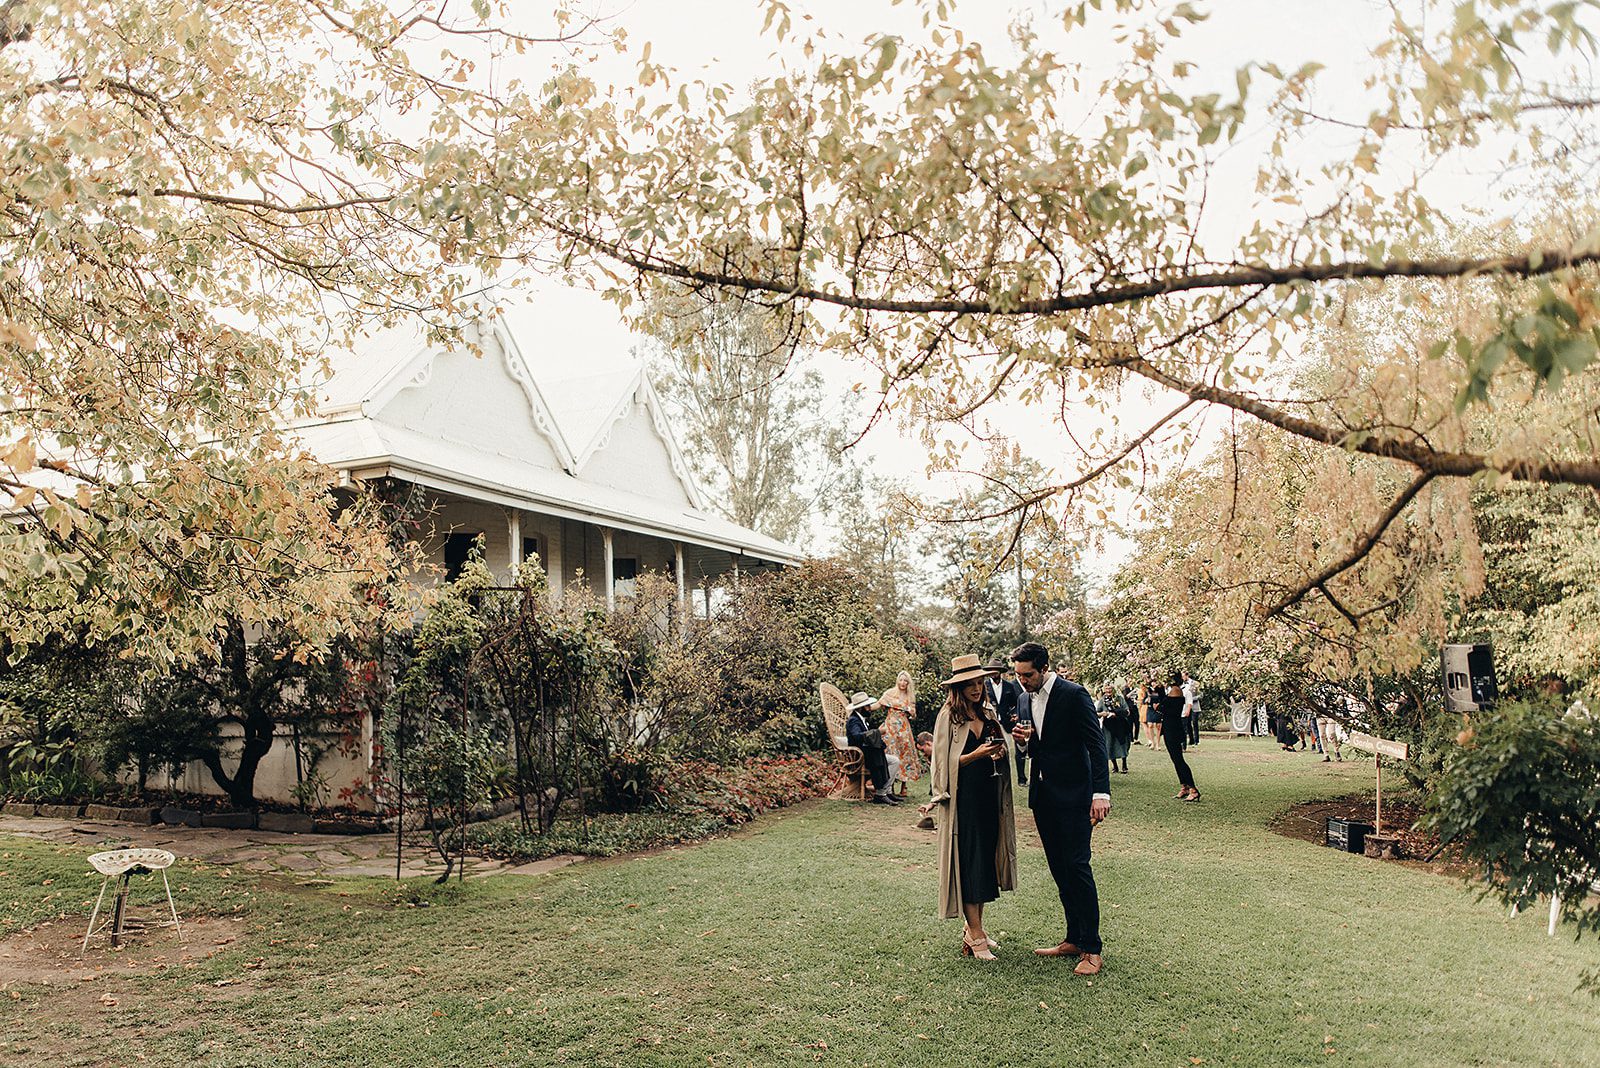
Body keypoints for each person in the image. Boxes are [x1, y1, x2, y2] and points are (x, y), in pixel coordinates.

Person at [1009, 642, 1110, 975]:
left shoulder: (1073, 694)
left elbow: (1096, 746)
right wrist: (1023, 740)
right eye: (1019, 675)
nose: (1023, 681)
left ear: (1044, 667)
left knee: (1078, 866)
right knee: (1059, 869)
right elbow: (1040, 746)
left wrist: (1101, 793)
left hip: (1077, 795)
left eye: (1028, 674)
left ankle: (1092, 949)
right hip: (1044, 797)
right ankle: (1072, 938)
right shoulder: (1024, 698)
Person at [925, 654, 1017, 960]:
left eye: (980, 682)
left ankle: (975, 929)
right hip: (963, 801)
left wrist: (997, 755)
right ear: (959, 686)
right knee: (969, 862)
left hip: (988, 796)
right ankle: (975, 935)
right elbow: (943, 765)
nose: (977, 689)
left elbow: (998, 749)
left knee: (984, 862)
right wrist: (976, 755)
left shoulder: (987, 713)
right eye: (970, 684)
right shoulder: (948, 717)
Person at [846, 691, 902, 805]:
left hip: (868, 753)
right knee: (888, 761)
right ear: (861, 708)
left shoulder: (861, 719)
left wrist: (876, 732)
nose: (870, 708)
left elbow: (866, 735)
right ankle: (880, 794)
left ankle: (887, 791)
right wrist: (877, 732)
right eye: (867, 706)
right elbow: (857, 737)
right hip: (860, 756)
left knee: (895, 761)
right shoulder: (853, 720)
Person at [983, 655, 1027, 785]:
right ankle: (995, 775)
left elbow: (1015, 703)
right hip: (991, 723)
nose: (994, 672)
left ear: (1000, 672)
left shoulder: (1009, 686)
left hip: (1007, 723)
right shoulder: (985, 686)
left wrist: (1014, 714)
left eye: (996, 670)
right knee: (994, 750)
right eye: (992, 670)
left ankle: (1020, 778)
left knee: (1012, 750)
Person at [877, 671, 923, 796]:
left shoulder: (910, 696)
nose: (903, 683)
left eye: (905, 681)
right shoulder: (890, 693)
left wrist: (909, 710)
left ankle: (904, 786)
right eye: (901, 680)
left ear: (908, 683)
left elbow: (913, 713)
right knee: (891, 752)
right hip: (890, 727)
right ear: (897, 680)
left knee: (905, 754)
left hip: (903, 728)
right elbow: (879, 704)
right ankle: (889, 787)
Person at [1159, 671, 1200, 802]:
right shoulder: (1172, 691)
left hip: (1173, 728)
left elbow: (1165, 708)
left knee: (1179, 759)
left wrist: (1159, 703)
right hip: (1169, 727)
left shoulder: (1176, 691)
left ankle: (1193, 789)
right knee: (1175, 759)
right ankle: (1184, 786)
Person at [1097, 681, 1134, 774]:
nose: (1108, 691)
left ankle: (1124, 765)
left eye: (1110, 688)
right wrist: (1103, 714)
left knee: (1123, 744)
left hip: (1120, 724)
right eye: (1106, 688)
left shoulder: (1119, 698)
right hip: (1108, 726)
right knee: (1110, 744)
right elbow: (1096, 713)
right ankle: (1115, 766)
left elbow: (1127, 711)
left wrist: (1116, 713)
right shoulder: (1102, 700)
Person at [1181, 670, 1201, 747]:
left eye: (1183, 676)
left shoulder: (1195, 683)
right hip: (1186, 707)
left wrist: (1191, 699)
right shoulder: (1182, 685)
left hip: (1195, 706)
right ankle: (1191, 740)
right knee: (1187, 724)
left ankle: (1197, 740)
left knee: (1195, 723)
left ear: (1187, 675)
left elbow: (1200, 695)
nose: (1182, 678)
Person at [1144, 675, 1164, 750]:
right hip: (1150, 709)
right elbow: (1144, 700)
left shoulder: (1161, 689)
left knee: (1158, 726)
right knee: (1150, 725)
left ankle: (1158, 744)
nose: (1153, 684)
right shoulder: (1148, 690)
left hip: (1158, 709)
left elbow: (1163, 698)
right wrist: (1146, 700)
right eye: (1152, 682)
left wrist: (1158, 704)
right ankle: (1152, 743)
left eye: (1155, 682)